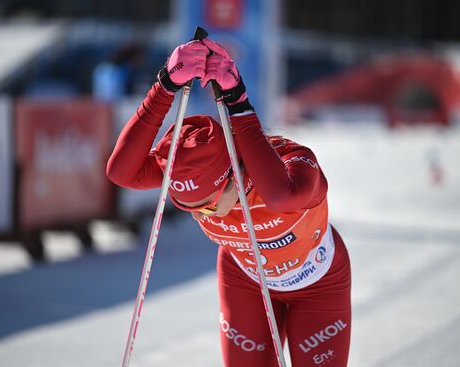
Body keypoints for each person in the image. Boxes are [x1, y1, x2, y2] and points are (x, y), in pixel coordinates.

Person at [106, 38, 352, 367]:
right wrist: (165, 85)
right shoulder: (189, 172)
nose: (201, 216)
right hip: (244, 281)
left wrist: (237, 101)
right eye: (188, 208)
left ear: (233, 177)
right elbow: (121, 172)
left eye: (206, 206)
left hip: (317, 282)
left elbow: (282, 196)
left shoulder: (289, 163)